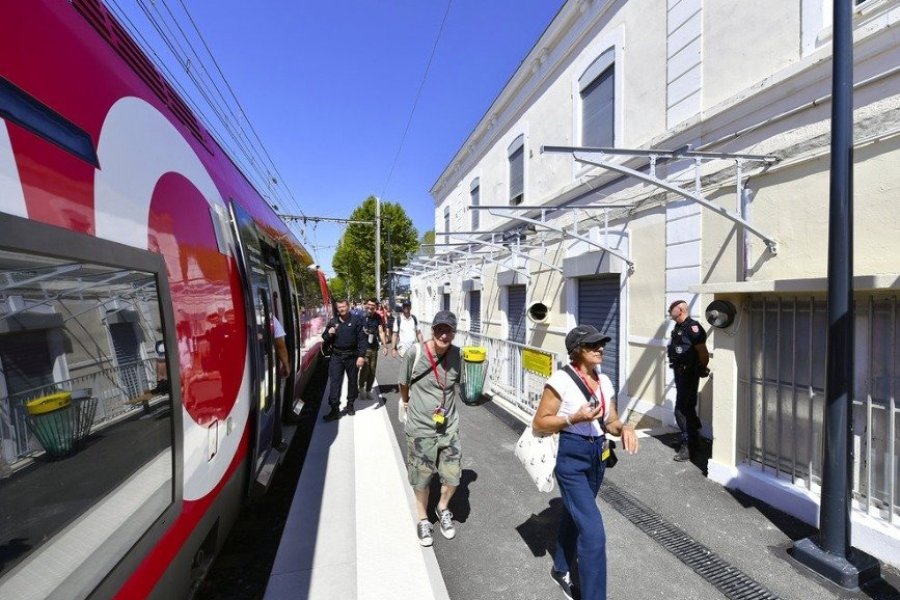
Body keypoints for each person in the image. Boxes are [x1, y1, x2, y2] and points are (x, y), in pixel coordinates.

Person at [533, 324, 639, 600]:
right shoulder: (561, 381)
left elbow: (611, 421)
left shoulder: (604, 380)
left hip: (597, 457)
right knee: (593, 534)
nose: (600, 348)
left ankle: (560, 567)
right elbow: (540, 422)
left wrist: (624, 428)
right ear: (576, 351)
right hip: (570, 457)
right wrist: (573, 418)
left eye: (601, 343)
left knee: (573, 513)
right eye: (593, 345)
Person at [398, 310, 463, 548]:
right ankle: (423, 518)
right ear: (432, 330)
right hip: (420, 427)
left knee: (454, 476)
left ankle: (441, 507)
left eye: (448, 331)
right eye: (439, 329)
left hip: (448, 427)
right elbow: (403, 383)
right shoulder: (415, 353)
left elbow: (464, 387)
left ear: (454, 334)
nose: (443, 335)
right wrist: (407, 402)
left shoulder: (459, 355)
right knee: (422, 478)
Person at [666, 299, 710, 462]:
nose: (670, 311)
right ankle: (693, 440)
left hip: (689, 374)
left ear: (680, 309)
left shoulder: (693, 328)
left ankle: (688, 445)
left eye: (672, 309)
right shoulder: (679, 327)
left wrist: (701, 368)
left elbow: (703, 352)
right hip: (680, 373)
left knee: (682, 409)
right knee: (688, 408)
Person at [322, 299, 366, 421]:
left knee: (352, 381)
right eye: (339, 307)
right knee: (335, 382)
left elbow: (362, 339)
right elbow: (324, 337)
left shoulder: (356, 321)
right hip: (336, 356)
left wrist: (361, 356)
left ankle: (350, 404)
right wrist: (329, 334)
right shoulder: (333, 322)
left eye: (343, 307)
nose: (341, 309)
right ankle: (334, 409)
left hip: (352, 356)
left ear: (348, 307)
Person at [358, 298, 389, 401]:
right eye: (369, 305)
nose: (370, 307)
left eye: (373, 306)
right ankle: (361, 389)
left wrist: (385, 346)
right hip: (363, 347)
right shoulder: (360, 316)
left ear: (375, 307)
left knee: (372, 370)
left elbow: (381, 332)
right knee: (365, 369)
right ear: (366, 305)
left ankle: (368, 390)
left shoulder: (378, 317)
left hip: (374, 347)